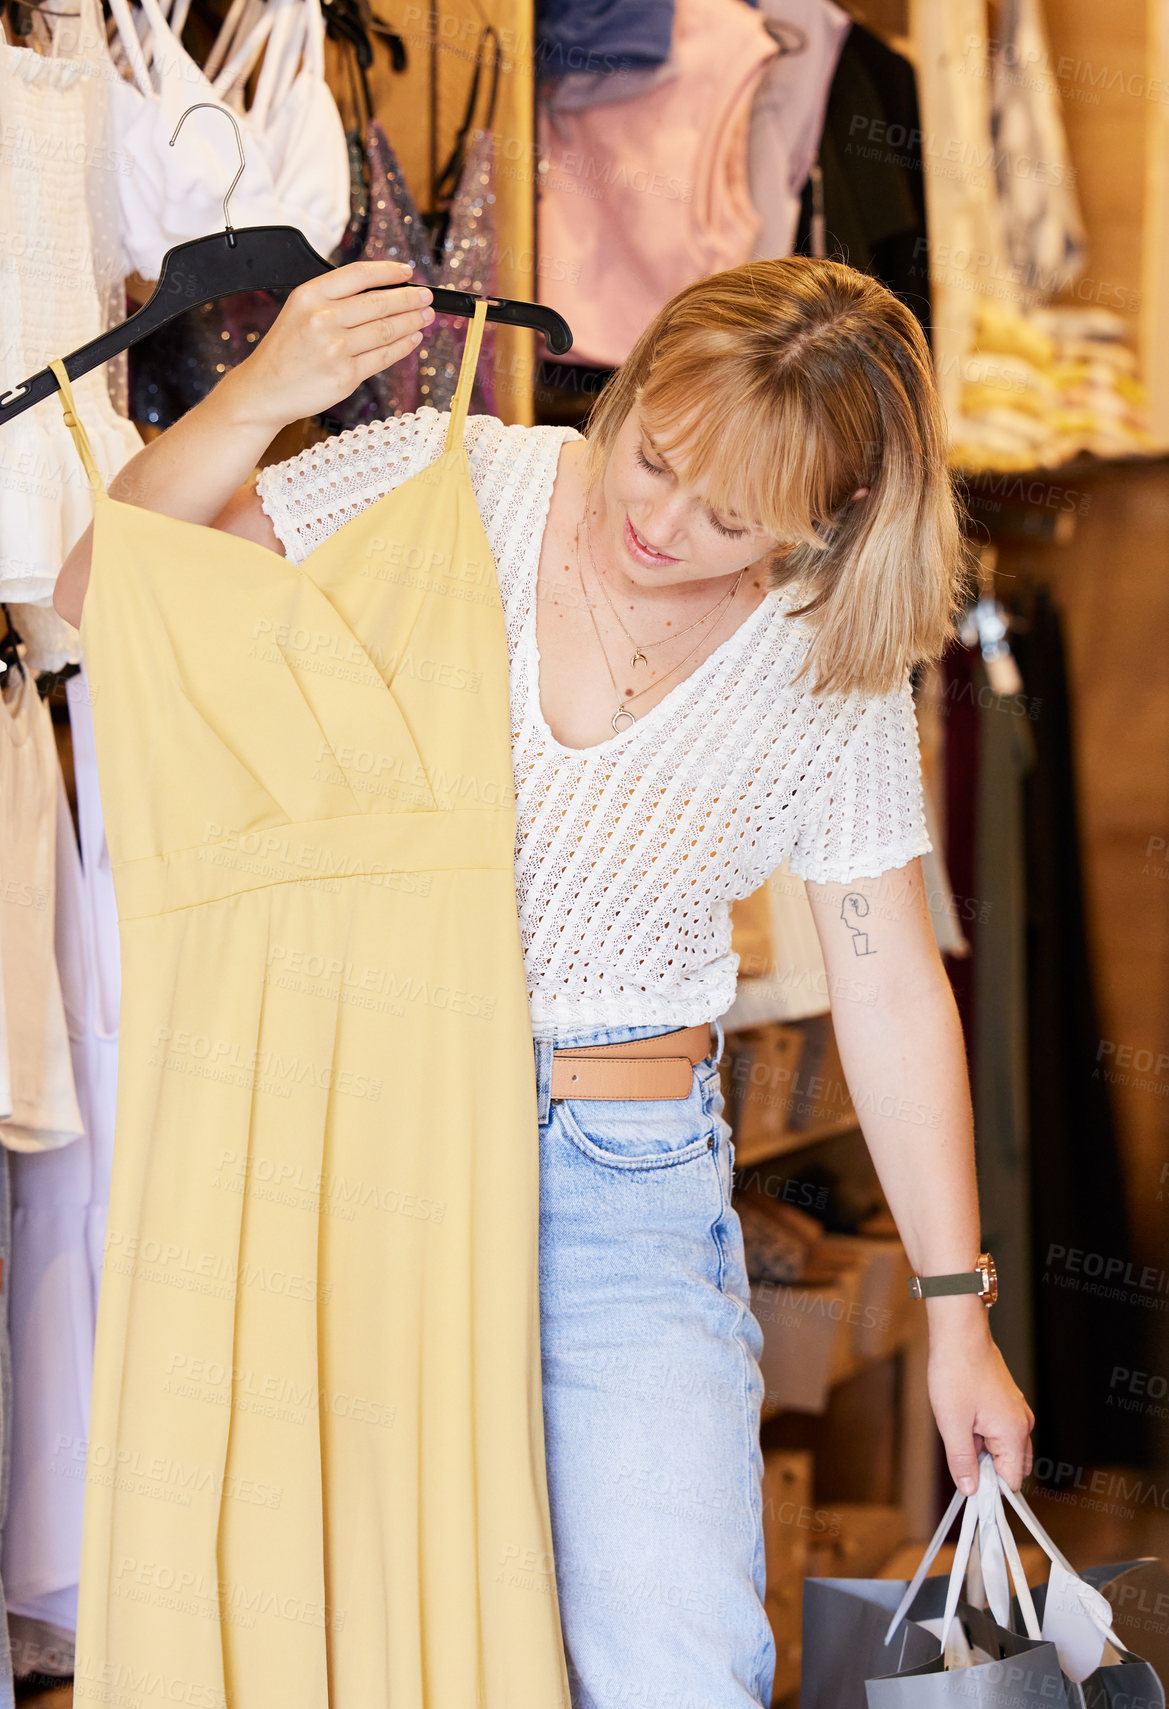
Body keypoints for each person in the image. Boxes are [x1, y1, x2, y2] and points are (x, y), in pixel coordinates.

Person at [56, 254, 1034, 1708]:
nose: (659, 524)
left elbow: (889, 989)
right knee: (365, 1644)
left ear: (824, 521)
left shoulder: (824, 668)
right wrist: (268, 393)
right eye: (654, 459)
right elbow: (103, 586)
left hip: (616, 1179)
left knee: (675, 1661)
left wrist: (960, 1315)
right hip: (364, 1150)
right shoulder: (464, 483)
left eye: (730, 517)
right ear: (632, 390)